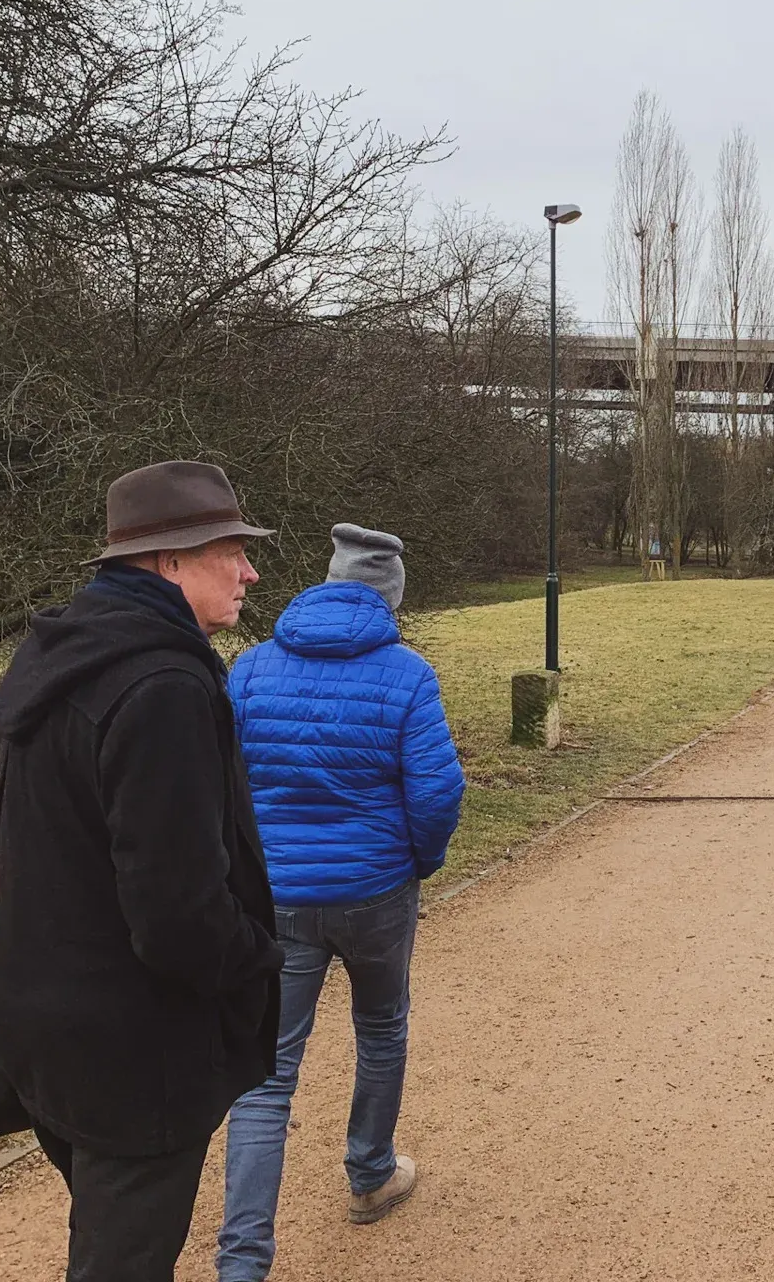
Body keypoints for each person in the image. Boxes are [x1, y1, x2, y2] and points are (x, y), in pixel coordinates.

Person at [0, 460, 284, 1281]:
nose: (251, 570)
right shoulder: (162, 686)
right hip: (133, 1052)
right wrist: (258, 957)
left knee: (109, 1238)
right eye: (233, 550)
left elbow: (29, 845)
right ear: (170, 561)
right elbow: (178, 910)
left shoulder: (58, 657)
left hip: (43, 1026)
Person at [216, 524, 465, 1282]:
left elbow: (221, 786)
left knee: (265, 1074)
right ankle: (369, 1174)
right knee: (382, 1027)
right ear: (389, 597)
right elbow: (436, 792)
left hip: (277, 898)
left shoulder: (251, 670)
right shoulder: (406, 672)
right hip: (375, 893)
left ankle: (242, 1262)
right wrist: (417, 863)